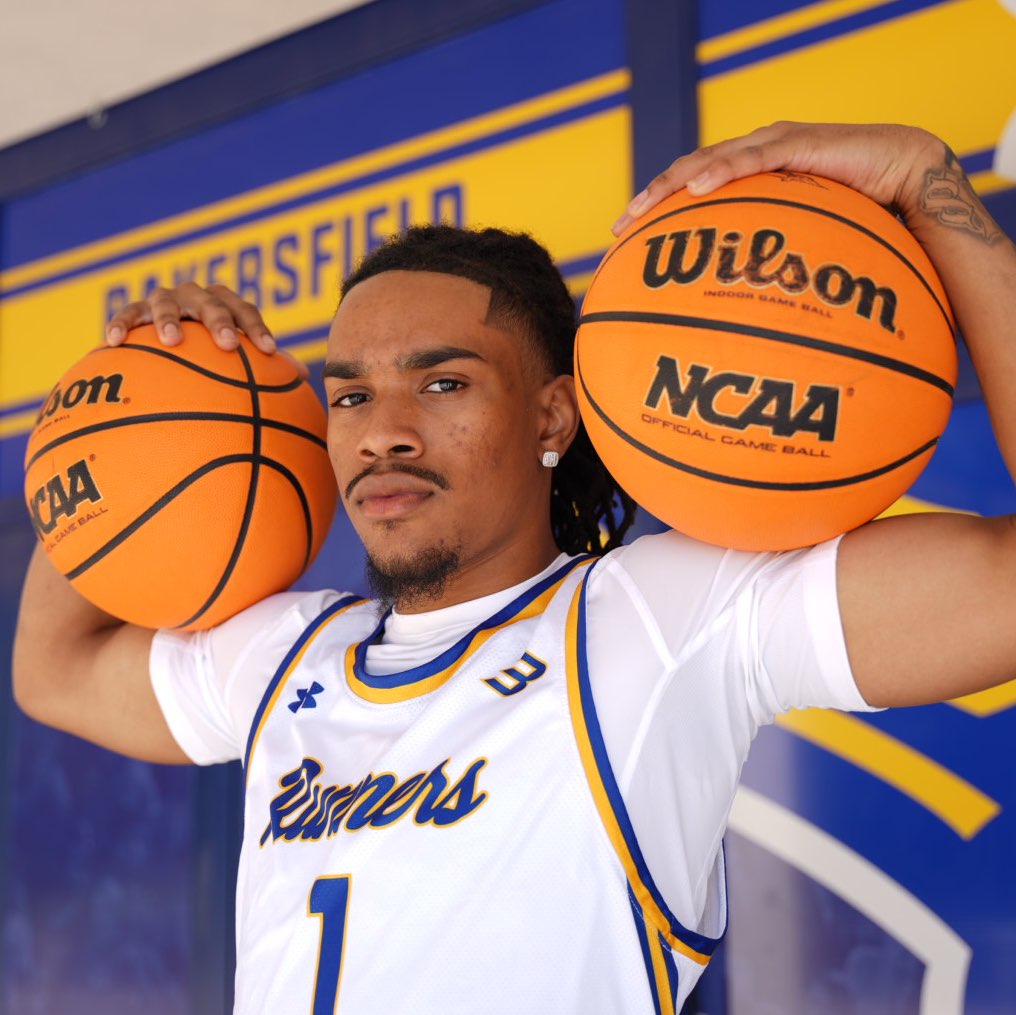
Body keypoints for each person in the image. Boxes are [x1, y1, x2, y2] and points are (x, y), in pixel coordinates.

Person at [13, 122, 1016, 1014]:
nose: (382, 432)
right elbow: (51, 669)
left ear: (552, 415)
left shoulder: (659, 618)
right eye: (350, 396)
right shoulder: (283, 654)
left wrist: (925, 181)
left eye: (443, 383)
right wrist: (147, 396)